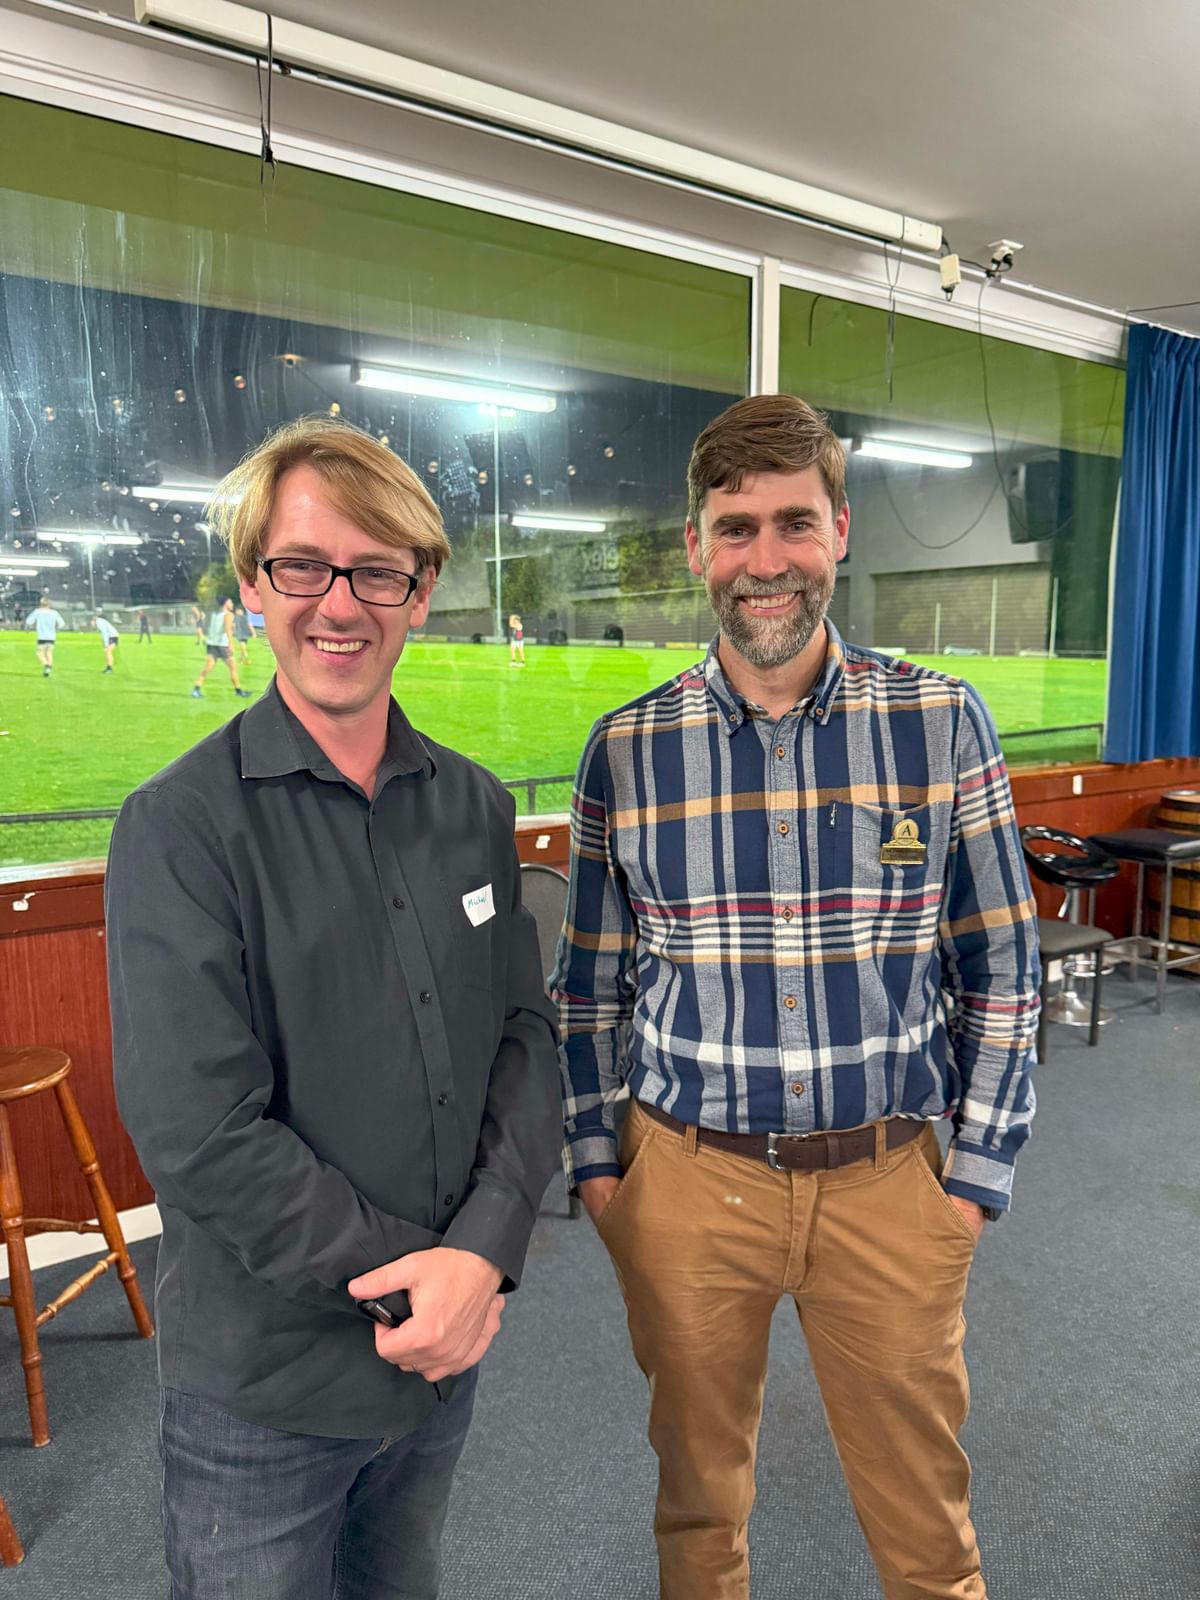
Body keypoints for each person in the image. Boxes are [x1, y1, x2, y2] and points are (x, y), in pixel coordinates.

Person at [554, 394, 1040, 1600]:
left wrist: (973, 1180)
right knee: (697, 1510)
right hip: (685, 1185)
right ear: (695, 547)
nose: (764, 560)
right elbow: (589, 986)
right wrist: (601, 1170)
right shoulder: (626, 749)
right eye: (736, 529)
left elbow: (1001, 964)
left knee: (927, 1531)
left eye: (793, 523)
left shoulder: (940, 721)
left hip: (890, 1184)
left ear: (840, 532)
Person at [106, 416, 562, 1599]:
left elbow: (525, 1037)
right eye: (303, 567)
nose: (339, 605)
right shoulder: (178, 827)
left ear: (421, 593)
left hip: (438, 1367)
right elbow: (200, 1130)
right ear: (254, 585)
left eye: (376, 572)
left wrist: (486, 1250)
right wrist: (426, 1279)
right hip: (266, 1395)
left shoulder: (473, 805)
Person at [192, 596, 252, 699]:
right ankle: (238, 691)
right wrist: (231, 643)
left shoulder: (215, 614)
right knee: (233, 668)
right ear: (225, 603)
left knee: (208, 668)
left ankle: (196, 689)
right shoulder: (228, 615)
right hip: (222, 645)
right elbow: (227, 629)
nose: (232, 604)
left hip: (212, 644)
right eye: (230, 602)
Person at [25, 595, 67, 676]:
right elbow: (62, 624)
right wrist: (55, 629)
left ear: (41, 604)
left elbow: (29, 621)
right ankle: (49, 668)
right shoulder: (54, 613)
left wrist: (29, 629)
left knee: (39, 653)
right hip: (51, 637)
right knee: (49, 653)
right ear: (49, 604)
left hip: (42, 636)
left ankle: (46, 666)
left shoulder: (37, 612)